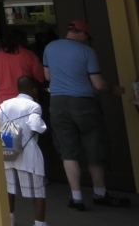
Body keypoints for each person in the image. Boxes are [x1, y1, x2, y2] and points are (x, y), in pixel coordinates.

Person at [42, 19, 130, 209]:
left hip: (57, 103)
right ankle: (99, 193)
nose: (87, 40)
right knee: (94, 148)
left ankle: (76, 197)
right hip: (83, 103)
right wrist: (114, 89)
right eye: (87, 37)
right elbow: (98, 84)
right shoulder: (87, 52)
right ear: (82, 34)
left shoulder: (50, 47)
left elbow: (48, 77)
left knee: (68, 151)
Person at [0, 76, 48, 226]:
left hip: (9, 151)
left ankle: (10, 219)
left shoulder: (5, 104)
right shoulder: (33, 106)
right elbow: (36, 126)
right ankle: (40, 224)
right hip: (28, 155)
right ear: (34, 90)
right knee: (38, 191)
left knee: (9, 188)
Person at [0, 29, 45, 104]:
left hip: (3, 100)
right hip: (25, 100)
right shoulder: (29, 55)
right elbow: (41, 77)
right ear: (23, 40)